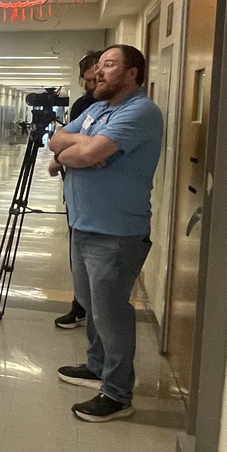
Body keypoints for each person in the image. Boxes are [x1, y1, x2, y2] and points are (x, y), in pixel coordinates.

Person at [47, 45, 163, 422]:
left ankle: (117, 393)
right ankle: (96, 365)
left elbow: (79, 154)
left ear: (132, 73)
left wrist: (81, 152)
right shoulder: (98, 110)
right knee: (91, 303)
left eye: (109, 65)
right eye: (99, 66)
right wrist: (85, 149)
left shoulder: (140, 111)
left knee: (111, 313)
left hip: (116, 232)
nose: (99, 72)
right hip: (83, 224)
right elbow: (59, 140)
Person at [53, 50, 102, 330]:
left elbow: (92, 152)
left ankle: (95, 312)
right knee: (77, 250)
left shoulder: (122, 109)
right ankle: (80, 304)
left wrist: (82, 151)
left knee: (98, 260)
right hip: (76, 188)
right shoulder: (84, 104)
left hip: (104, 197)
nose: (91, 86)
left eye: (96, 79)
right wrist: (67, 154)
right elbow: (63, 142)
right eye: (87, 81)